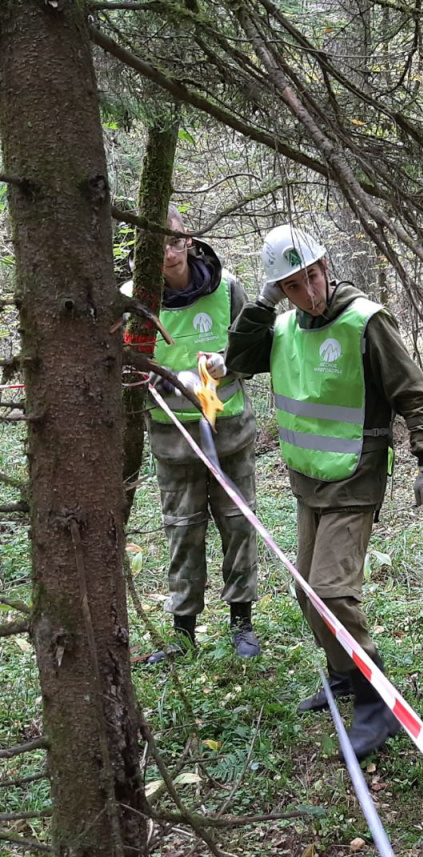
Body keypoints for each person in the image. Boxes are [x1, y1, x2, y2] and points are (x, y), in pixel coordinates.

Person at [225, 224, 423, 761]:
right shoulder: (282, 325)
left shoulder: (365, 321)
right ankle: (343, 675)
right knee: (306, 589)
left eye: (313, 277)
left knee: (331, 590)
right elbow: (239, 360)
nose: (310, 293)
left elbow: (413, 391)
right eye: (294, 285)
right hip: (309, 479)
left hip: (356, 475)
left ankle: (378, 700)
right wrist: (261, 303)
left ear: (326, 265)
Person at [125, 206, 261, 663]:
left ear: (189, 240)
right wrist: (154, 377)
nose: (169, 251)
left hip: (230, 435)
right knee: (183, 533)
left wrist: (228, 362)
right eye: (157, 243)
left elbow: (252, 350)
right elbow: (123, 368)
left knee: (239, 526)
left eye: (175, 239)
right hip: (173, 441)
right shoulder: (132, 299)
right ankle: (183, 633)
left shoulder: (227, 288)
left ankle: (242, 624)